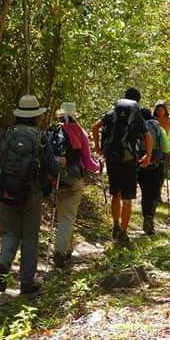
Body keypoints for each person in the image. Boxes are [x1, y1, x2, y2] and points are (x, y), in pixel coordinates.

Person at [0, 95, 59, 295]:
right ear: (35, 115)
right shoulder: (39, 136)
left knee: (10, 233)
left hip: (6, 189)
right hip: (31, 192)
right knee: (29, 237)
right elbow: (52, 167)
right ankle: (26, 283)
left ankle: (3, 265)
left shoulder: (8, 133)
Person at [91, 87, 152, 245]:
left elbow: (94, 127)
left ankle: (116, 225)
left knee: (115, 194)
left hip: (112, 158)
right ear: (137, 101)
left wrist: (98, 147)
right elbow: (147, 136)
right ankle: (124, 233)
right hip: (129, 159)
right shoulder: (136, 115)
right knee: (127, 198)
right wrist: (148, 155)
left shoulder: (113, 113)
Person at [49, 102, 99, 269]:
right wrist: (99, 167)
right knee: (68, 217)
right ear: (74, 115)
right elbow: (88, 161)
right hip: (74, 178)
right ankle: (60, 251)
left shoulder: (52, 131)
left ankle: (66, 248)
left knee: (62, 215)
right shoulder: (80, 131)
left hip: (54, 178)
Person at [137, 108, 170, 235]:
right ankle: (150, 217)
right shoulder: (158, 128)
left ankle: (146, 217)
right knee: (155, 193)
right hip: (156, 165)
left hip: (142, 164)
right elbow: (167, 148)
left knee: (145, 193)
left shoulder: (138, 128)